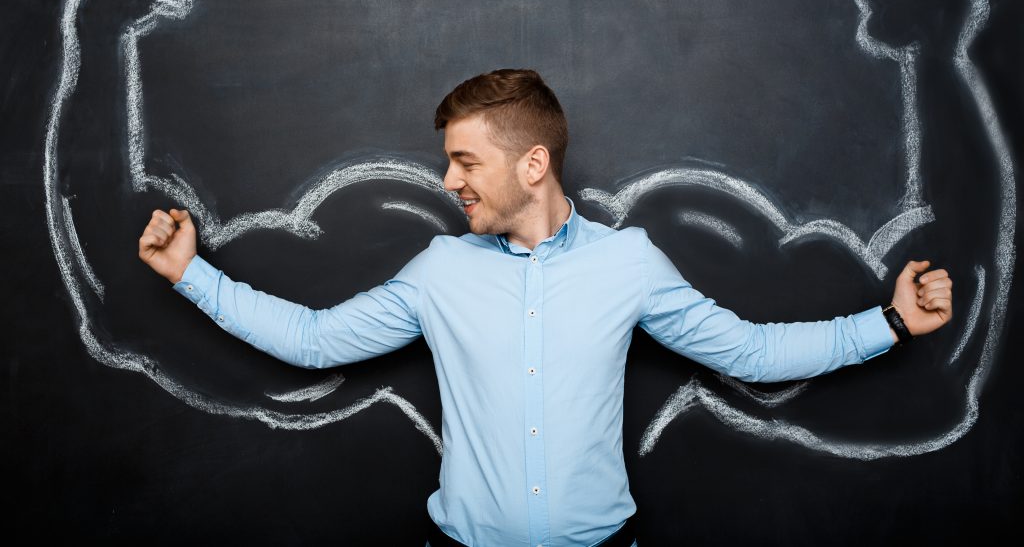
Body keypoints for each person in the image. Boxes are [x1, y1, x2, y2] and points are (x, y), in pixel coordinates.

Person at [138, 69, 953, 547]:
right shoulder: (440, 270)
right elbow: (314, 341)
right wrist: (190, 274)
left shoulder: (627, 262)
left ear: (534, 163)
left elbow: (748, 352)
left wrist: (887, 323)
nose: (449, 181)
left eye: (464, 160)